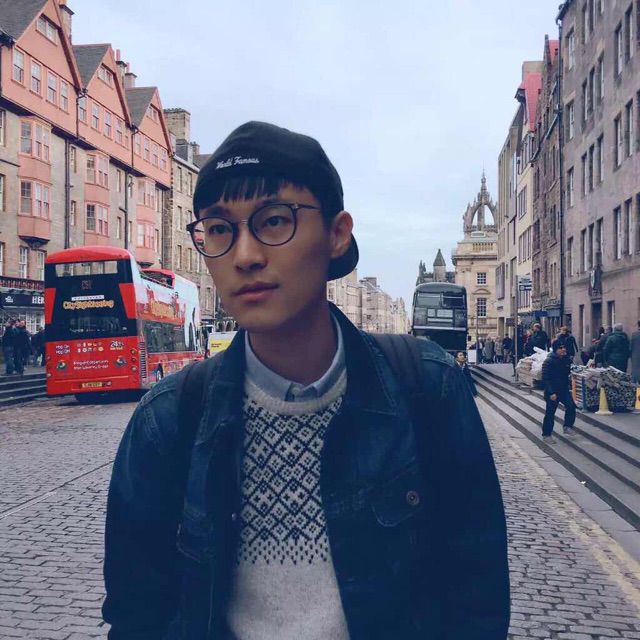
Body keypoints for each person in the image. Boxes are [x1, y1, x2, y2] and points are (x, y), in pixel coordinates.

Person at [102, 122, 510, 639]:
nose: (245, 255)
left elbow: (476, 599)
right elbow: (136, 617)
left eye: (274, 221)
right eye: (220, 229)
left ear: (337, 234)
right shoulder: (166, 420)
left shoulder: (428, 389)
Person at [541, 340, 577, 443]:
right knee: (550, 413)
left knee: (571, 406)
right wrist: (551, 392)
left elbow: (568, 373)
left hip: (563, 389)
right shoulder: (549, 361)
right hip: (552, 391)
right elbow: (545, 378)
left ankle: (567, 426)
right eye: (561, 348)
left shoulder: (566, 360)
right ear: (556, 349)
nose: (563, 349)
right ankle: (547, 434)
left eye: (564, 347)